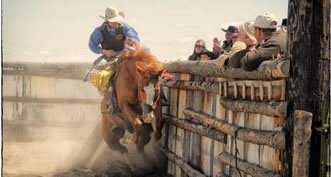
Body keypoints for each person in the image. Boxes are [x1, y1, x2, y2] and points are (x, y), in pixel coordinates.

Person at [88, 6, 141, 113]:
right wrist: (104, 51)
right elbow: (92, 45)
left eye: (116, 20)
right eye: (112, 21)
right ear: (106, 20)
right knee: (106, 79)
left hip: (126, 58)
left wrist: (130, 41)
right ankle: (110, 104)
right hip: (111, 61)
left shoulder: (124, 27)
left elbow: (135, 36)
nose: (115, 23)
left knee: (143, 73)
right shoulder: (98, 32)